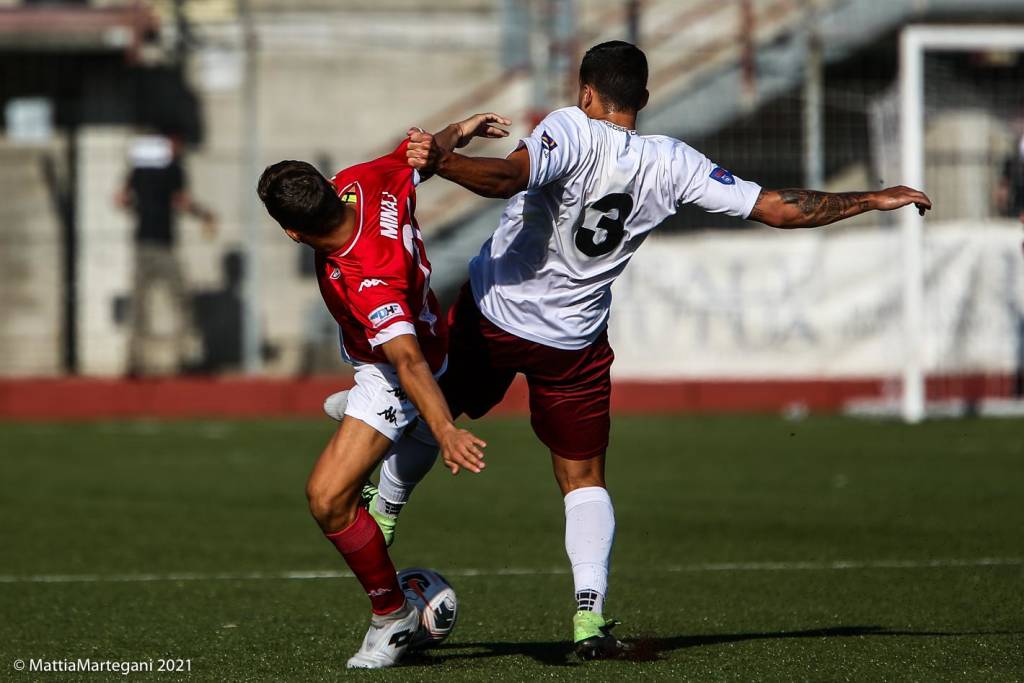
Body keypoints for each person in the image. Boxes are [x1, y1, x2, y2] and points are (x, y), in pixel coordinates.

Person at [399, 41, 932, 659]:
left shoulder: (570, 129)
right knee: (583, 478)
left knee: (428, 411)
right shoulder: (675, 162)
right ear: (645, 100)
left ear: (587, 93)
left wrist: (443, 163)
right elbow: (779, 209)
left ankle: (381, 520)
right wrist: (872, 198)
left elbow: (507, 177)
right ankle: (588, 622)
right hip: (572, 343)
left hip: (495, 317)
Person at [255, 113, 506, 669]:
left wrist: (445, 430)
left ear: (293, 233)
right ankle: (382, 430)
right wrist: (460, 130)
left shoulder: (372, 281)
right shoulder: (363, 181)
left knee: (328, 499)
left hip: (395, 373)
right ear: (328, 186)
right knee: (373, 407)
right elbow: (421, 153)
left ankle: (392, 617)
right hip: (395, 350)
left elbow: (408, 361)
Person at [116, 132, 216, 376]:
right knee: (180, 301)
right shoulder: (174, 169)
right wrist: (203, 213)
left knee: (141, 305)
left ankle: (135, 361)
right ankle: (185, 357)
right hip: (162, 243)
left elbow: (121, 199)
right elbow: (182, 202)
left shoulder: (139, 168)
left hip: (143, 241)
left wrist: (141, 207)